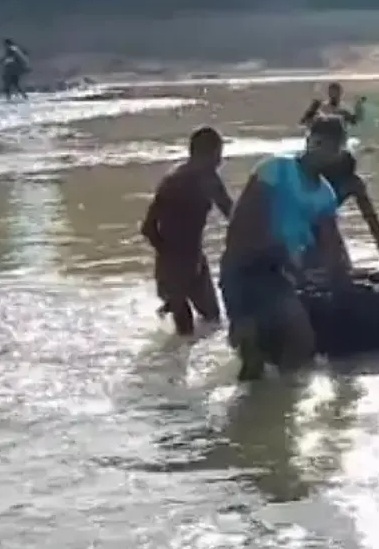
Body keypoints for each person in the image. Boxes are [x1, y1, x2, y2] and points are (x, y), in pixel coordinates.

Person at [220, 116, 352, 381]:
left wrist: (339, 275)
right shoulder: (274, 170)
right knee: (250, 351)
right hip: (244, 265)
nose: (324, 152)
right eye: (319, 143)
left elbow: (331, 243)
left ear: (339, 152)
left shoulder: (325, 194)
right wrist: (281, 257)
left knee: (300, 339)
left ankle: (282, 404)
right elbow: (240, 225)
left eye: (332, 148)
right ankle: (245, 405)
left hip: (277, 273)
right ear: (309, 140)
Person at [141, 126, 234, 336]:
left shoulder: (210, 180)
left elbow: (232, 214)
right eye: (217, 155)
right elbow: (148, 228)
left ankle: (168, 306)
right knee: (185, 334)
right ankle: (170, 307)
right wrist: (170, 257)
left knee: (213, 322)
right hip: (173, 264)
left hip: (196, 261)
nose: (220, 162)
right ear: (203, 155)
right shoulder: (173, 183)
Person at [320, 150, 379, 267]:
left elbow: (373, 222)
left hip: (325, 219)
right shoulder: (320, 183)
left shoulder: (355, 184)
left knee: (342, 265)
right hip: (307, 217)